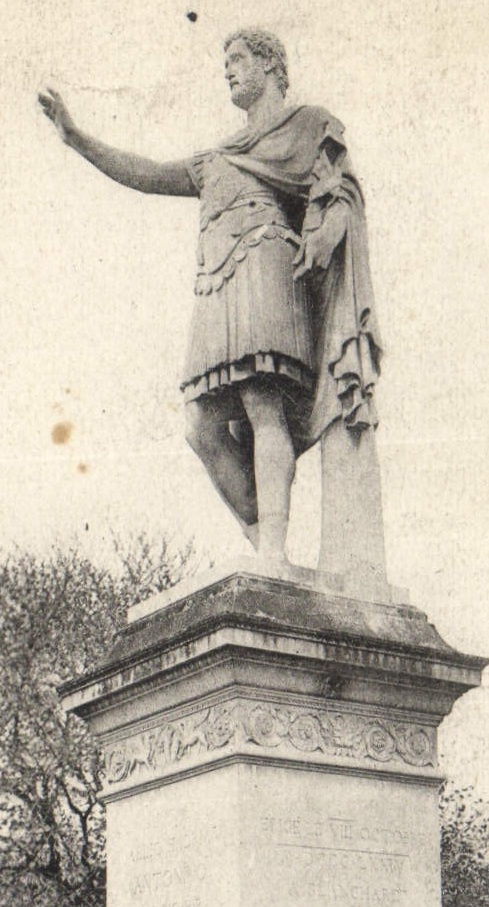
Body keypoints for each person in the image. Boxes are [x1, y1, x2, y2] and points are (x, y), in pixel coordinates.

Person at [39, 29, 381, 563]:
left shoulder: (308, 125)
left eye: (238, 59)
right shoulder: (218, 156)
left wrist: (324, 234)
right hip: (218, 282)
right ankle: (264, 545)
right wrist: (77, 138)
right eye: (226, 62)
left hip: (269, 267)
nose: (228, 71)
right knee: (200, 425)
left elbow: (338, 190)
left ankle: (272, 550)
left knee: (262, 401)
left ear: (270, 65)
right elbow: (150, 174)